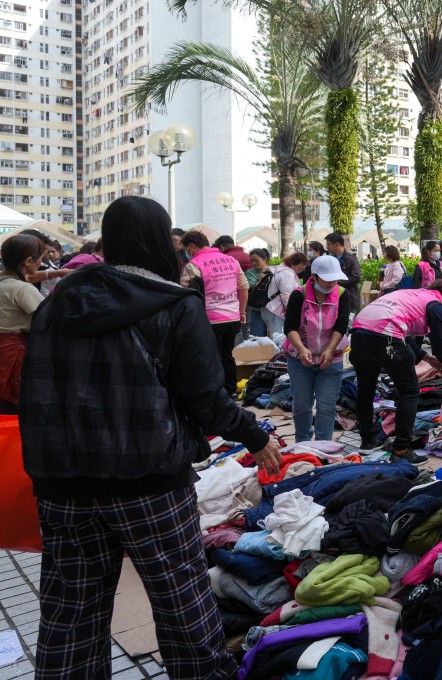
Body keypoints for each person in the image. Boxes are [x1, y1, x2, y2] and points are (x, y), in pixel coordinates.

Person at [19, 195, 281, 680]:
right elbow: (204, 397)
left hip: (63, 483)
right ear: (161, 241)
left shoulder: (59, 302)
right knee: (183, 605)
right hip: (149, 481)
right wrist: (254, 434)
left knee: (70, 614)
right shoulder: (174, 304)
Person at [350, 279, 442, 465]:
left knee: (366, 390)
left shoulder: (412, 295)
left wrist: (426, 357)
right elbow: (440, 347)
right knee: (409, 391)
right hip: (386, 335)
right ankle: (401, 450)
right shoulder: (436, 303)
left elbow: (404, 337)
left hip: (359, 332)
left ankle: (368, 441)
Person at [282, 255, 350, 443]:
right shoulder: (299, 294)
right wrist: (301, 349)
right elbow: (289, 327)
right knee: (302, 406)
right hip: (300, 360)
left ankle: (323, 446)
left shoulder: (342, 294)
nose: (331, 284)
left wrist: (330, 350)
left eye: (335, 279)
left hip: (331, 359)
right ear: (315, 276)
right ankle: (303, 445)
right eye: (327, 279)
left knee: (327, 406)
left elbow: (342, 325)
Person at [180, 229, 248, 396]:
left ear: (191, 246)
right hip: (232, 318)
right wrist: (242, 312)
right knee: (227, 355)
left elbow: (186, 292)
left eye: (186, 249)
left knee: (211, 358)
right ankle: (231, 390)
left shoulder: (194, 265)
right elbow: (243, 287)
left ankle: (216, 394)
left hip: (209, 319)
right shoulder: (231, 260)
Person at [0, 234, 45, 414]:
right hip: (13, 354)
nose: (41, 263)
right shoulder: (22, 289)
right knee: (13, 407)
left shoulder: (5, 283)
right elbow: (48, 316)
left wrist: (57, 273)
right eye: (40, 258)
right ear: (28, 261)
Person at [265, 252, 308, 339]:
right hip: (277, 312)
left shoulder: (281, 269)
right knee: (278, 339)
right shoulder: (287, 274)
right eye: (300, 268)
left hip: (273, 310)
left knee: (276, 338)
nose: (300, 271)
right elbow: (286, 297)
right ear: (293, 263)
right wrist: (292, 314)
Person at [324, 232, 362, 313]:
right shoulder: (330, 259)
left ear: (337, 244)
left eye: (328, 244)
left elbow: (356, 277)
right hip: (332, 298)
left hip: (349, 298)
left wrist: (337, 282)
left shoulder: (351, 259)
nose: (327, 247)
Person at [245, 248, 272, 337]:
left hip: (272, 310)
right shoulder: (250, 272)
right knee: (257, 338)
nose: (254, 263)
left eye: (256, 260)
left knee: (275, 337)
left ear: (264, 259)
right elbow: (251, 289)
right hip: (257, 309)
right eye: (252, 261)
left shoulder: (273, 270)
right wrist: (261, 281)